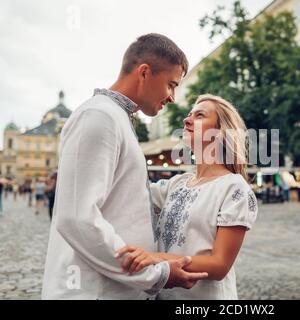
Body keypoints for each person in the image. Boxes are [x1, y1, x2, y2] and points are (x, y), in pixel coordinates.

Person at [42, 33, 208, 300]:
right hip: (92, 291)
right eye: (171, 84)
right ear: (144, 72)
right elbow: (77, 217)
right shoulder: (98, 116)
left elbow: (126, 197)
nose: (173, 97)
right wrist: (155, 275)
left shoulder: (116, 117)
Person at [116, 94, 258, 299]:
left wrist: (155, 258)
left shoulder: (234, 188)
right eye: (189, 114)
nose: (186, 119)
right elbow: (129, 193)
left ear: (220, 133)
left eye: (200, 115)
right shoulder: (177, 183)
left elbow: (219, 266)